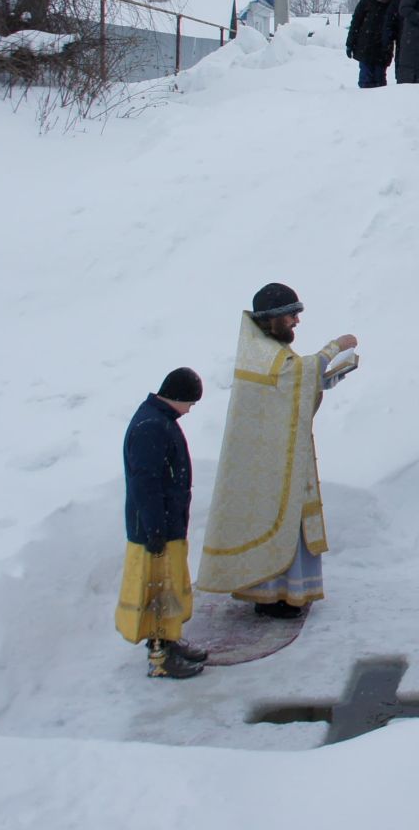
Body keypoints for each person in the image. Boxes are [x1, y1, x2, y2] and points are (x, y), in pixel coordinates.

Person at [197, 284, 358, 619]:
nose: (296, 321)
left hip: (280, 455)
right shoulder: (261, 352)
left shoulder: (268, 348)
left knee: (288, 519)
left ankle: (288, 592)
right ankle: (272, 595)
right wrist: (334, 348)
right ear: (271, 318)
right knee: (275, 518)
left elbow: (292, 386)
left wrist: (328, 377)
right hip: (265, 463)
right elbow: (294, 376)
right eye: (291, 314)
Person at [115, 368, 209, 680]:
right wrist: (155, 528)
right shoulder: (151, 427)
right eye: (190, 404)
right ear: (178, 397)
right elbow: (146, 484)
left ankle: (170, 640)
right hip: (155, 530)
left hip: (167, 524)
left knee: (169, 587)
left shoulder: (158, 419)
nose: (190, 410)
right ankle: (160, 657)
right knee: (157, 591)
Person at [344, 0, 399, 89]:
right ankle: (375, 104)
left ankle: (366, 104)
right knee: (379, 81)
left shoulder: (368, 0)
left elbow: (356, 23)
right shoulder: (393, 3)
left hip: (367, 46)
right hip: (381, 47)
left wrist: (350, 43)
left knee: (366, 79)